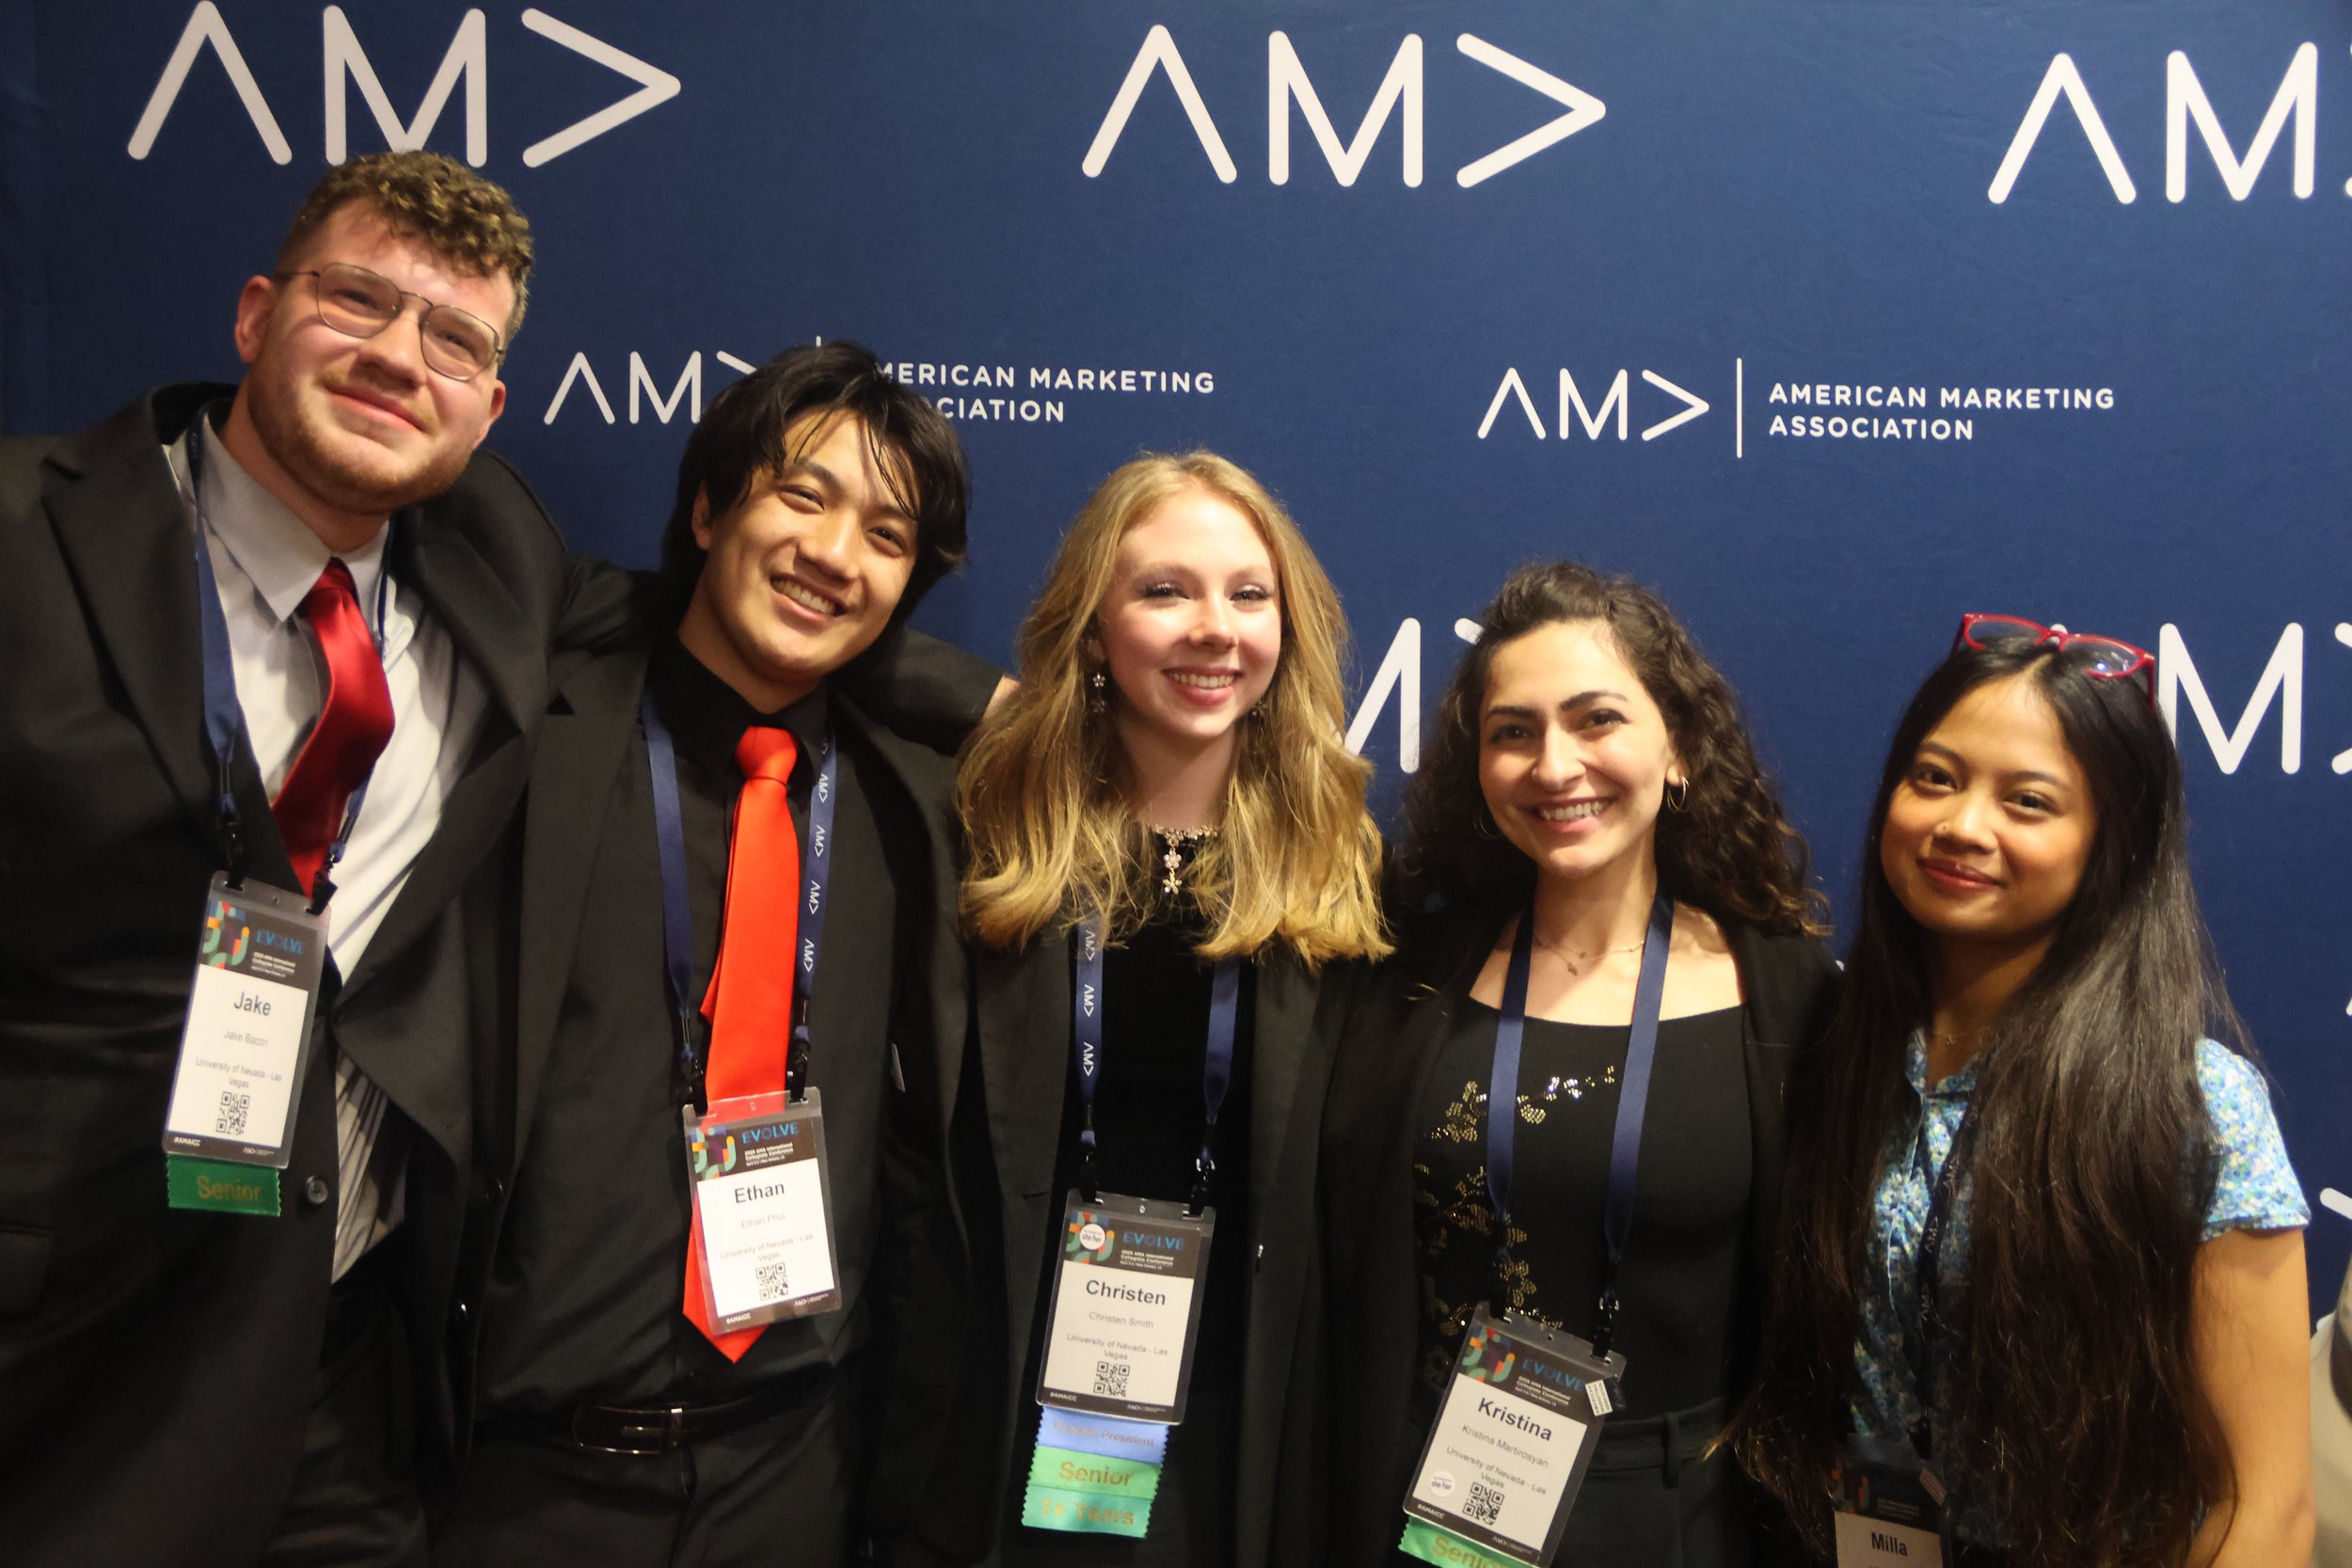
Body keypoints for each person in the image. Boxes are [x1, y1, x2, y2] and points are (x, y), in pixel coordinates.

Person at [0, 152, 564, 1566]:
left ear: (490, 406)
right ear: (256, 313)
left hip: (337, 1375)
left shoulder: (503, 566)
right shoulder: (24, 535)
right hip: (57, 1360)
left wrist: (1006, 696)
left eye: (455, 339)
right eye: (356, 299)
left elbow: (742, 623)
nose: (399, 357)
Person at [431, 341, 1001, 1567]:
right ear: (707, 508)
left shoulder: (918, 807)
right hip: (517, 1483)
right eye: (802, 495)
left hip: (793, 1478)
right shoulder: (531, 733)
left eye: (887, 536)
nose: (834, 553)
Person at [1729, 615, 2312, 1567]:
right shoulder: (1828, 1046)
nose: (1963, 825)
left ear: (2113, 840)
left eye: (2029, 800)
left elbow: (2266, 1505)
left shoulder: (2196, 1103)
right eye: (1935, 777)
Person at [1318, 561, 1836, 1567]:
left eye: (1597, 719)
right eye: (1513, 732)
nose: (1555, 765)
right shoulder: (1406, 969)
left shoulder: (1781, 992)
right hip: (1432, 1495)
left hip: (1680, 1515)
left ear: (1679, 746)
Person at [950, 451, 1388, 1567]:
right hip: (1015, 1401)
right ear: (1093, 629)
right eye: (1163, 590)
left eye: (1248, 594)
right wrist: (1004, 705)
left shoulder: (1336, 864)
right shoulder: (999, 834)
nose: (1214, 628)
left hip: (1239, 1419)